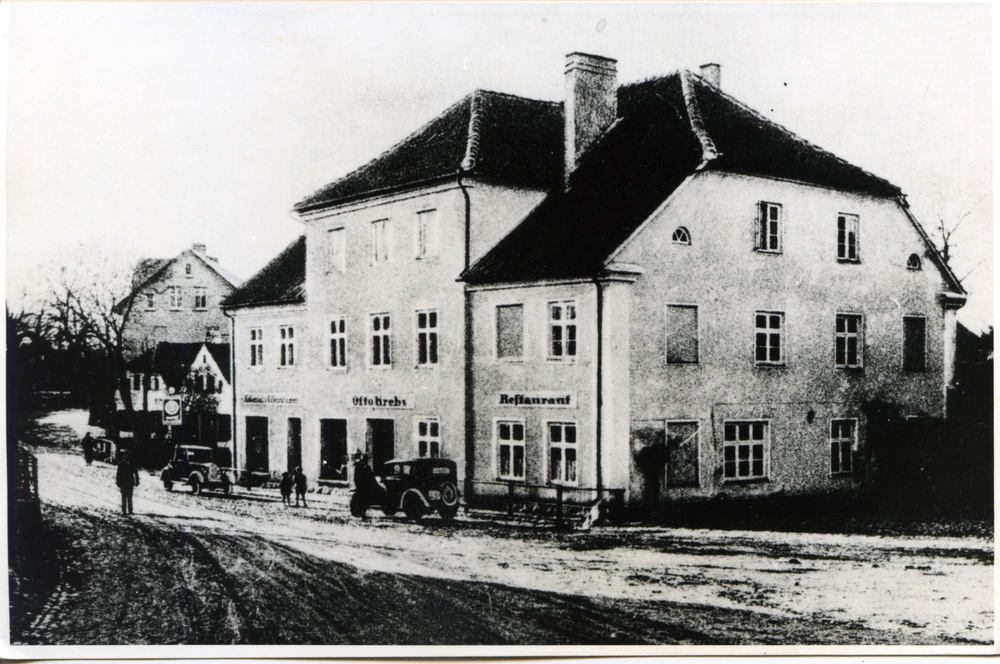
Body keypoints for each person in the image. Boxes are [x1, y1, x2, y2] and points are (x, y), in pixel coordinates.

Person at [115, 451, 140, 515]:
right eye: (126, 457)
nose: (127, 458)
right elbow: (118, 474)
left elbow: (136, 473)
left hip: (130, 482)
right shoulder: (121, 464)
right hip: (123, 482)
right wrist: (118, 482)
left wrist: (137, 481)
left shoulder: (132, 464)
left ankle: (130, 511)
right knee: (123, 496)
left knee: (129, 496)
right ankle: (124, 511)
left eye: (128, 457)